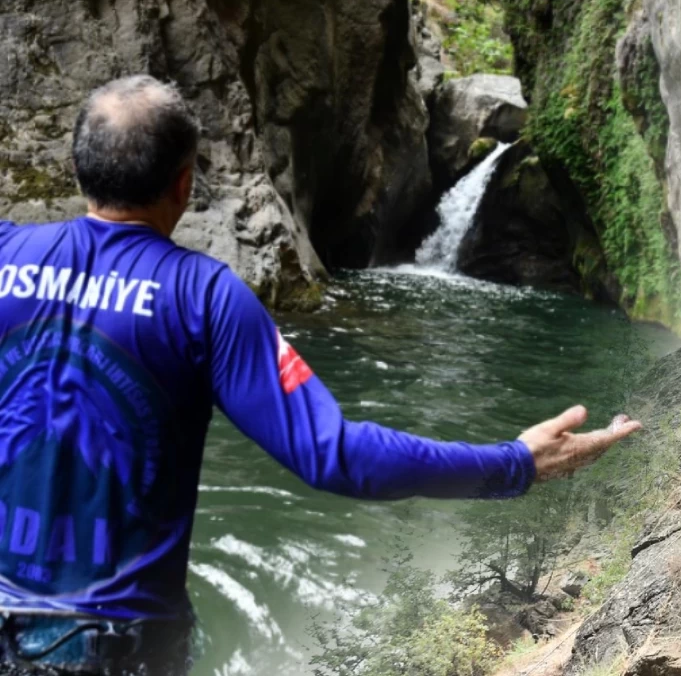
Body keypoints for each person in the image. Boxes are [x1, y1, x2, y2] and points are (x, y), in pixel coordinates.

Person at [0, 75, 642, 674]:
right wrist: (514, 464)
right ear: (184, 184)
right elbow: (336, 455)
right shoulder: (204, 297)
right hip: (119, 648)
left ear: (78, 167)